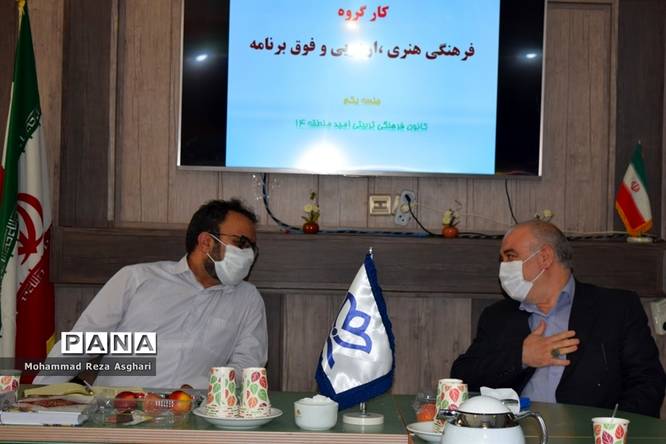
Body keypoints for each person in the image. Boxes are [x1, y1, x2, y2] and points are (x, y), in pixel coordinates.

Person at [35, 199, 268, 389]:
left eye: (252, 247)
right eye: (241, 243)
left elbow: (249, 365)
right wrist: (39, 396)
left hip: (195, 416)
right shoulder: (137, 279)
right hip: (117, 413)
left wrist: (200, 388)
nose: (248, 254)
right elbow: (83, 342)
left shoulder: (247, 299)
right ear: (206, 242)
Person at [450, 220, 665, 417]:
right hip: (517, 433)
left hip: (589, 434)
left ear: (544, 257)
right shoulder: (498, 316)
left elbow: (648, 382)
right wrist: (521, 357)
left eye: (510, 257)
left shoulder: (615, 308)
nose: (503, 267)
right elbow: (463, 377)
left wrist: (611, 428)